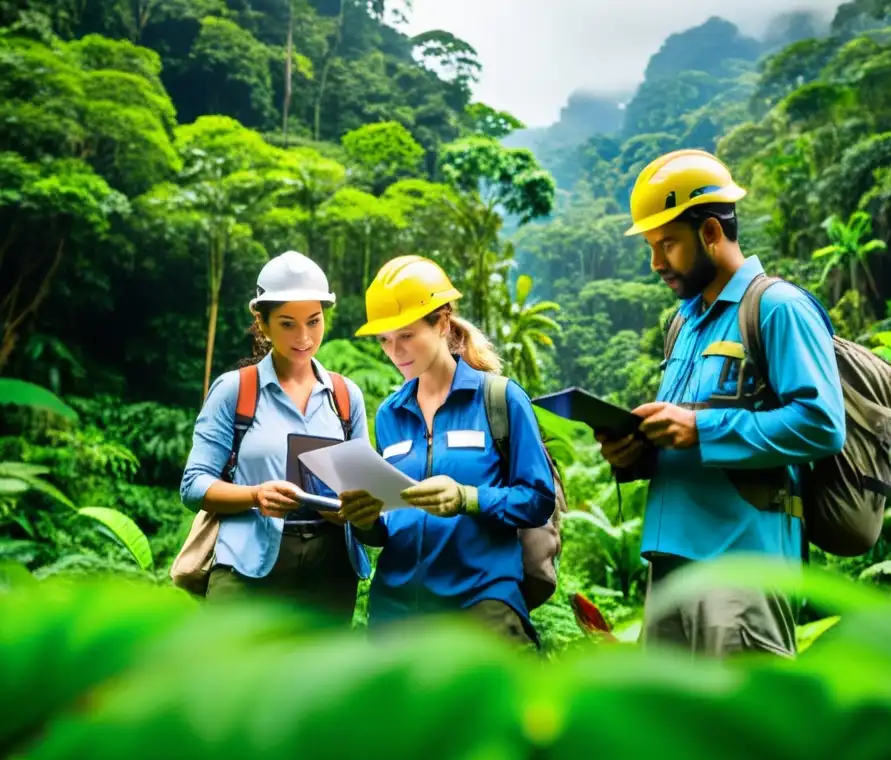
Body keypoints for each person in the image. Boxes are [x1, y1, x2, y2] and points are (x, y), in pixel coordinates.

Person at [597, 149, 846, 658]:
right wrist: (637, 452)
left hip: (741, 567)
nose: (656, 263)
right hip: (669, 566)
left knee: (741, 731)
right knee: (669, 733)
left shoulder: (777, 307)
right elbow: (684, 435)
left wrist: (702, 429)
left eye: (667, 244)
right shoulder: (683, 325)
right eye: (650, 245)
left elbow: (822, 424)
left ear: (711, 232)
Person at [339, 255, 556, 648]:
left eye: (405, 335)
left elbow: (538, 499)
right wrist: (366, 519)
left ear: (441, 322)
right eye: (384, 339)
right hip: (397, 614)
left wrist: (468, 498)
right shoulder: (390, 413)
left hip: (480, 603)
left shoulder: (499, 399)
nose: (395, 351)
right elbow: (391, 525)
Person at [179, 250, 369, 620]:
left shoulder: (346, 397)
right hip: (247, 568)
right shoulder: (236, 390)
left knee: (322, 678)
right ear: (262, 324)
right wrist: (255, 495)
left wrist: (353, 506)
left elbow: (363, 487)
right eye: (287, 324)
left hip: (329, 572)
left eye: (314, 322)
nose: (303, 337)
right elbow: (193, 485)